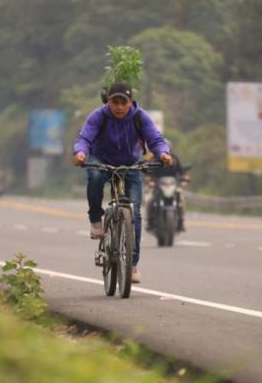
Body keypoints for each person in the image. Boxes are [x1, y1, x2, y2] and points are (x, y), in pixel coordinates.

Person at [73, 82, 173, 284]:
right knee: (93, 177)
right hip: (102, 160)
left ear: (130, 102)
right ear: (107, 101)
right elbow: (85, 137)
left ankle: (132, 264)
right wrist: (81, 152)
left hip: (130, 164)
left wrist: (163, 153)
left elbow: (155, 138)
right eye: (114, 102)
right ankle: (95, 221)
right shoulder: (98, 116)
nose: (119, 106)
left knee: (134, 214)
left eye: (123, 102)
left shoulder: (139, 117)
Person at [146, 150, 188, 233]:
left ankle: (181, 221)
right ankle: (150, 221)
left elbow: (181, 171)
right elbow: (148, 172)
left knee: (182, 199)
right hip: (158, 186)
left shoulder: (175, 159)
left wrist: (184, 179)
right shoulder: (155, 160)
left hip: (173, 185)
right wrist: (149, 180)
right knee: (149, 200)